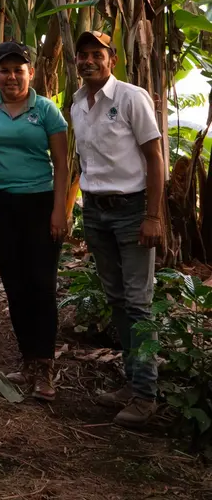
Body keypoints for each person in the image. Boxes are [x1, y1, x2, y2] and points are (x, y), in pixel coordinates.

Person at [0, 42, 69, 401]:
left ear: (30, 73)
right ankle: (27, 361)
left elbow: (63, 166)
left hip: (39, 204)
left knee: (41, 285)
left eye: (18, 70)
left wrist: (59, 211)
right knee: (16, 286)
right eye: (4, 70)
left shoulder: (47, 111)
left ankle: (44, 368)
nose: (11, 76)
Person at [71, 31, 164, 428]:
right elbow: (82, 163)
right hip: (95, 211)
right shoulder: (76, 104)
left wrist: (154, 216)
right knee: (117, 301)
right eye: (83, 55)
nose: (89, 60)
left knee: (138, 302)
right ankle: (132, 384)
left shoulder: (130, 97)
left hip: (131, 209)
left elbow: (156, 158)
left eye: (97, 54)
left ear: (111, 59)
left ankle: (145, 395)